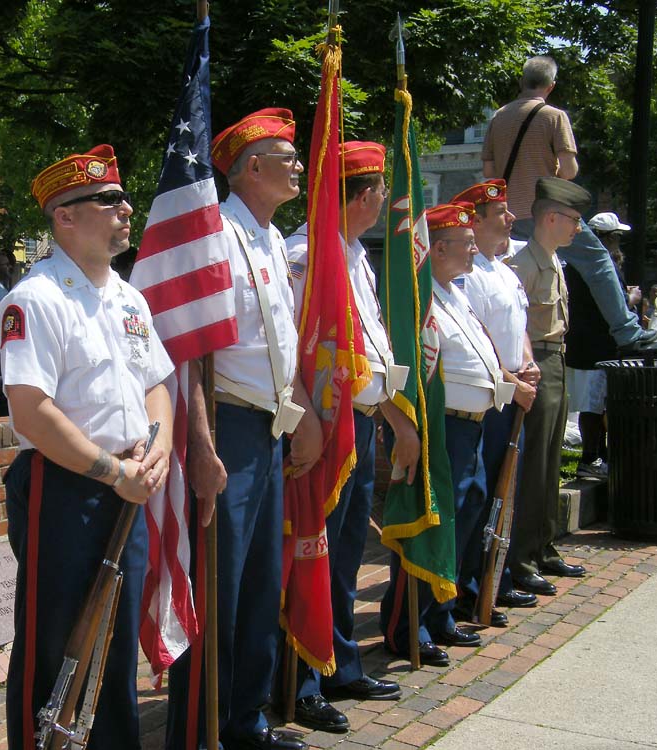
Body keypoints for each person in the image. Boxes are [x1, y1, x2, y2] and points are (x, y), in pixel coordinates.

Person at [0, 144, 173, 750]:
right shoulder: (36, 300)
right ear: (64, 216)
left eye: (123, 198)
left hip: (128, 485)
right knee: (57, 644)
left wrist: (159, 449)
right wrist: (113, 471)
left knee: (115, 645)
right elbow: (32, 411)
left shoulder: (128, 297)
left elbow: (155, 384)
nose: (126, 209)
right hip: (65, 488)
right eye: (108, 199)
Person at [166, 108, 320, 750]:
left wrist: (303, 413)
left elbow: (280, 344)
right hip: (227, 425)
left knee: (259, 583)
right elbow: (189, 355)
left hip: (269, 427)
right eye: (288, 158)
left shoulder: (270, 239)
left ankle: (245, 720)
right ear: (253, 167)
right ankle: (201, 729)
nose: (300, 168)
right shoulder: (216, 236)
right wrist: (201, 444)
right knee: (219, 587)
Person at [281, 141, 416, 732]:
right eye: (381, 190)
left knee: (344, 557)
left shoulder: (354, 254)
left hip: (358, 422)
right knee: (312, 553)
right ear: (363, 196)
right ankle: (300, 680)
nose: (384, 200)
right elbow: (298, 348)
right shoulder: (306, 256)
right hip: (321, 425)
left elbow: (371, 347)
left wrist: (391, 416)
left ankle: (338, 663)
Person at [380, 204, 513, 661]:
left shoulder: (456, 294)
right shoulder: (420, 300)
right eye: (466, 243)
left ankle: (440, 614)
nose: (475, 250)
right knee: (432, 521)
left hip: (471, 429)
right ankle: (406, 626)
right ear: (437, 249)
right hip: (442, 427)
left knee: (466, 513)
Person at [482, 55, 656, 348]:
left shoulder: (498, 117)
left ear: (522, 82)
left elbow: (489, 172)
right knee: (596, 261)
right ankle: (626, 331)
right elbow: (569, 170)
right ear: (551, 85)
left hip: (511, 214)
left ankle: (507, 342)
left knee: (515, 274)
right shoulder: (554, 116)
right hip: (547, 211)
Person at [450, 180, 540, 622]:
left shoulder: (505, 271)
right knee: (480, 499)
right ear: (477, 220)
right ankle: (469, 589)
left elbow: (518, 326)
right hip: (493, 397)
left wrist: (529, 362)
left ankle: (494, 581)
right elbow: (478, 341)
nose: (511, 219)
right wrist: (512, 381)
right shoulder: (468, 276)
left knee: (502, 496)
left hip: (515, 391)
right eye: (501, 213)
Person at [506, 176, 591, 597]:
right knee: (534, 463)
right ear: (551, 218)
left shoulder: (554, 261)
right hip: (535, 361)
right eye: (573, 219)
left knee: (551, 460)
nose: (578, 228)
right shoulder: (522, 265)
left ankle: (543, 545)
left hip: (555, 359)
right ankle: (521, 558)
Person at [565, 212, 634, 479]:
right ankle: (590, 458)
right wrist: (630, 299)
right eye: (616, 238)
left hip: (589, 346)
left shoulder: (580, 264)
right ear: (606, 238)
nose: (618, 244)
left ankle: (599, 456)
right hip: (593, 347)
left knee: (597, 406)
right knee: (592, 407)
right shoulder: (595, 265)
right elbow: (606, 304)